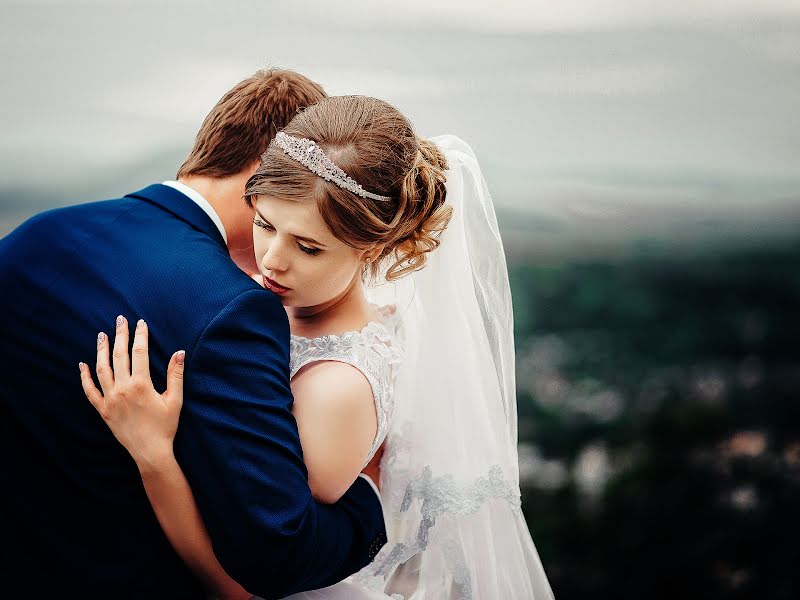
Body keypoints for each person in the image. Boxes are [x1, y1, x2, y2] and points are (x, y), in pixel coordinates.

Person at [79, 95, 557, 599]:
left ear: (373, 248)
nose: (273, 259)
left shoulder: (338, 386)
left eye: (308, 247)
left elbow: (246, 584)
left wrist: (153, 453)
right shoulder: (269, 303)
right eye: (264, 224)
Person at [0, 70, 388, 600]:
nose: (274, 260)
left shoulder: (34, 235)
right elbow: (277, 552)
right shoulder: (230, 308)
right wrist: (371, 501)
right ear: (271, 174)